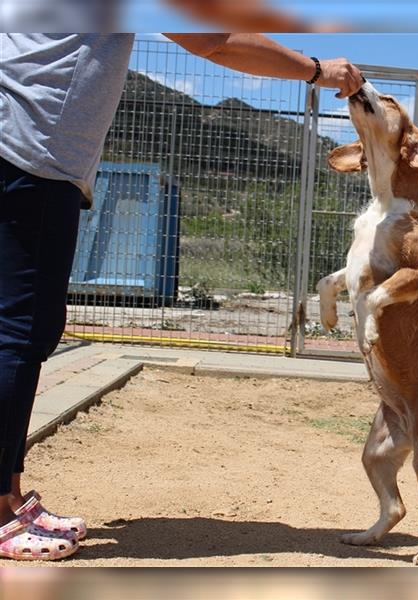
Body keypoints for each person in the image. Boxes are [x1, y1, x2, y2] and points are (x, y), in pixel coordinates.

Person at [0, 32, 362, 561]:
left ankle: (9, 492)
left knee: (26, 329)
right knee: (19, 329)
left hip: (27, 144)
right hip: (29, 151)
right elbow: (214, 39)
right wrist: (315, 69)